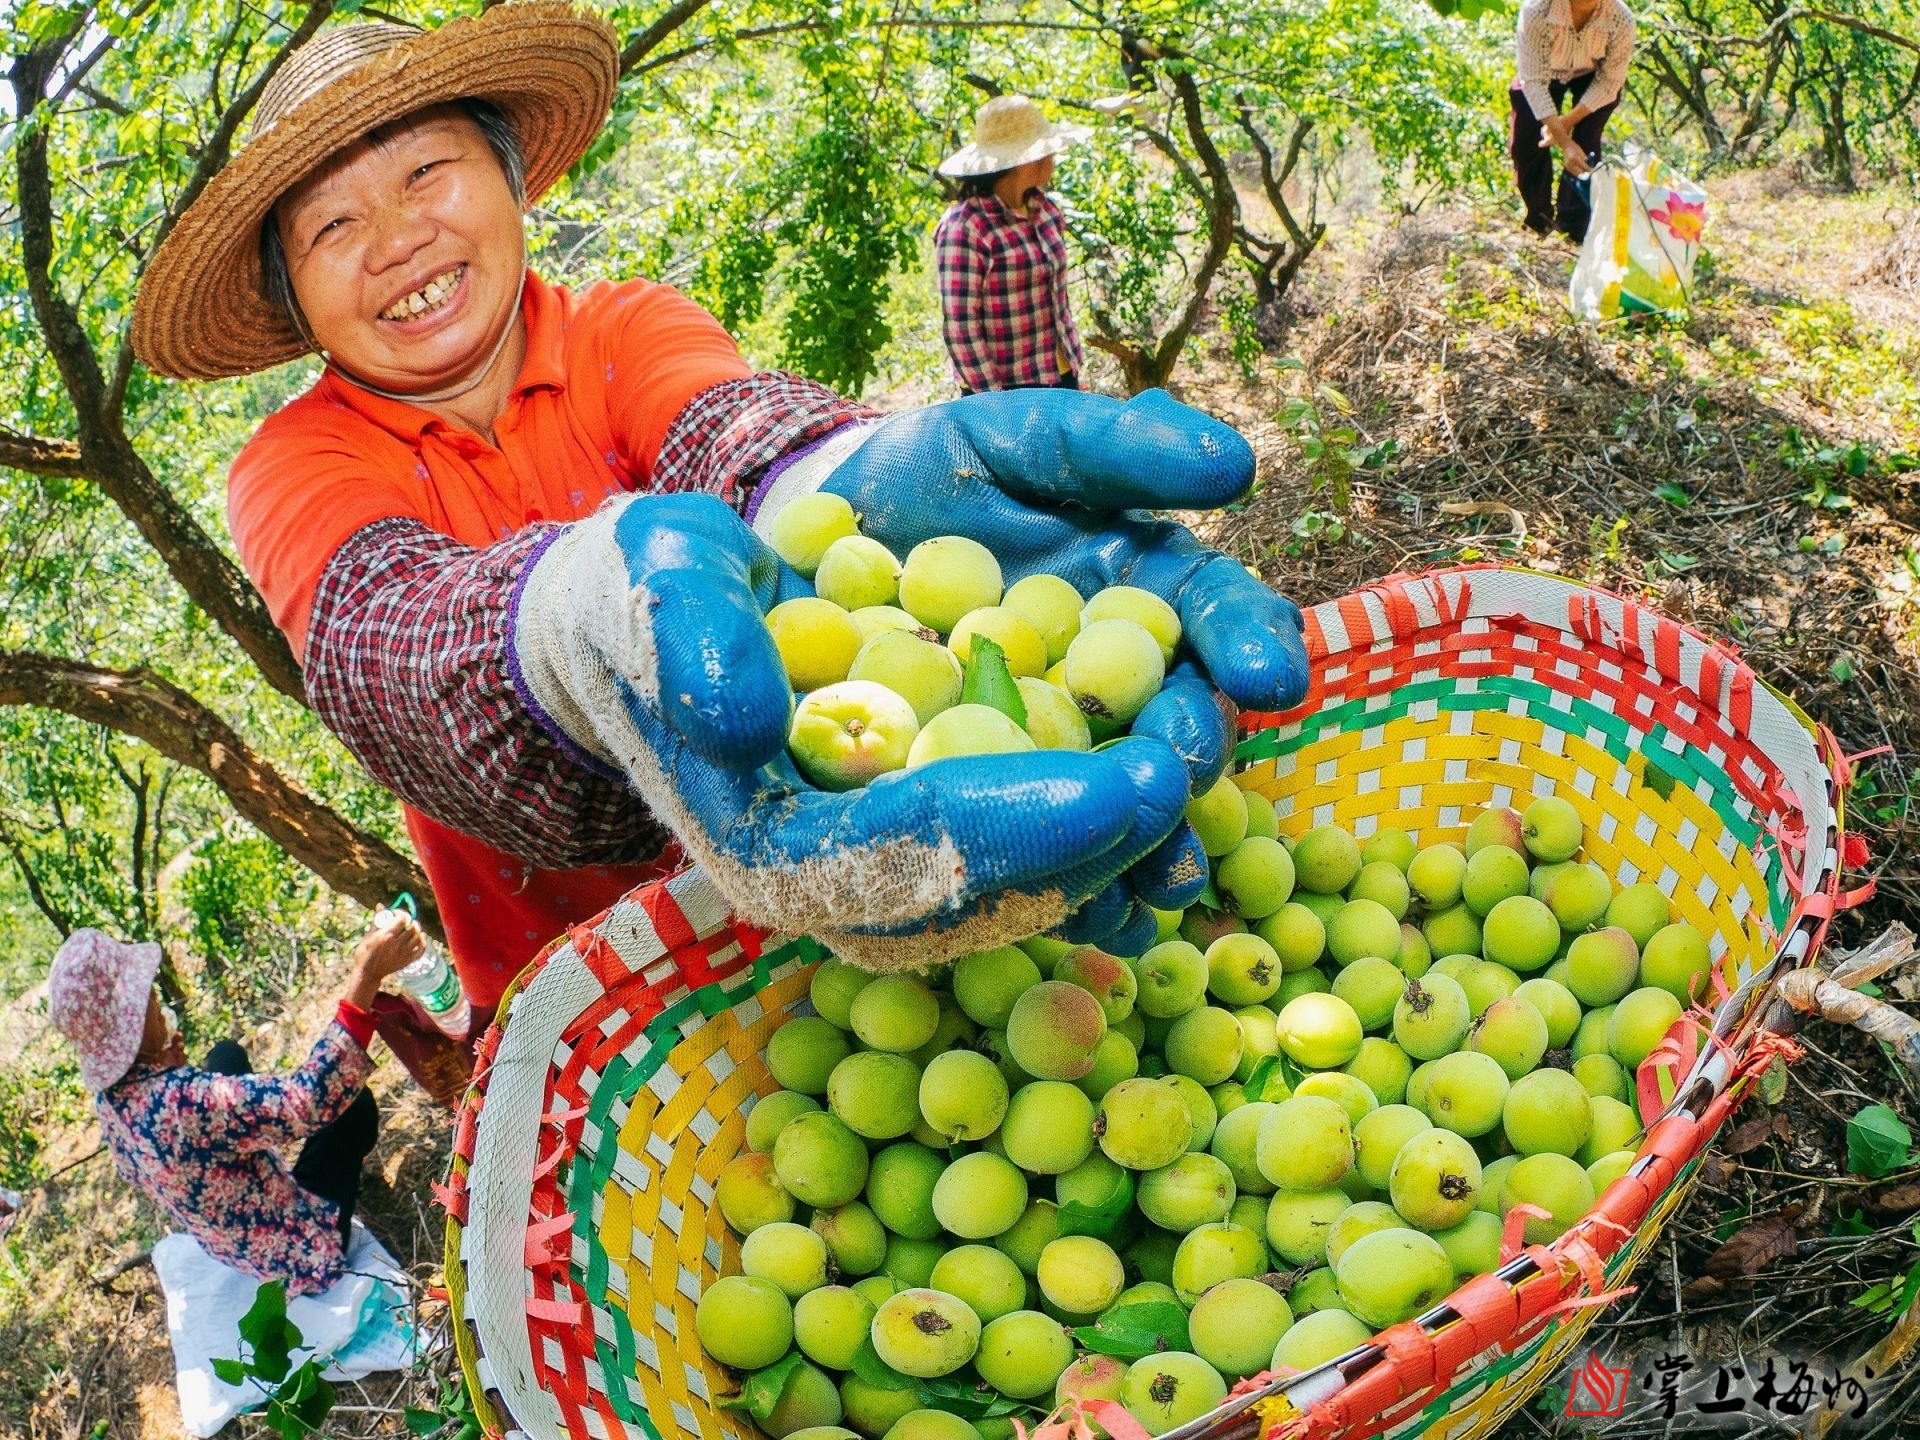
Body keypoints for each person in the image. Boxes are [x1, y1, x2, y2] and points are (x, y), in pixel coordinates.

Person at [128, 5, 1308, 1017]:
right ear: (293, 294)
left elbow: (747, 442)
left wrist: (841, 484)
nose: (397, 241)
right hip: (584, 974)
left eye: (427, 173)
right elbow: (390, 643)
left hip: (851, 876)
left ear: (506, 176)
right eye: (332, 227)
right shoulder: (293, 465)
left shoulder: (623, 329)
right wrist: (573, 624)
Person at [46, 917, 425, 1294]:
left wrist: (166, 1072)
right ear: (126, 1025)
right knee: (353, 1105)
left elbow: (160, 1153)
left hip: (235, 1240)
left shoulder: (111, 1104)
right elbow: (309, 1099)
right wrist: (367, 974)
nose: (153, 997)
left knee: (224, 1054)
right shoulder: (184, 1102)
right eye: (141, 995)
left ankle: (256, 1151)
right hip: (301, 1253)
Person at [934, 95, 1091, 395]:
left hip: (1060, 375)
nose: (1052, 158)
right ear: (1022, 161)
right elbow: (961, 327)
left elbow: (1057, 301)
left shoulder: (1045, 210)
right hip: (1009, 390)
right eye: (1044, 150)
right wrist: (995, 404)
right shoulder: (966, 227)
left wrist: (1071, 373)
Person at [1511, 0, 1637, 241]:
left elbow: (1610, 82)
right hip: (1544, 73)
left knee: (1586, 147)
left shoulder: (1621, 19)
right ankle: (1539, 220)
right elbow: (1533, 81)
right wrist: (1563, 142)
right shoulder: (1537, 10)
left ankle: (1571, 230)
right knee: (1525, 143)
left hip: (1593, 77)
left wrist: (1566, 124)